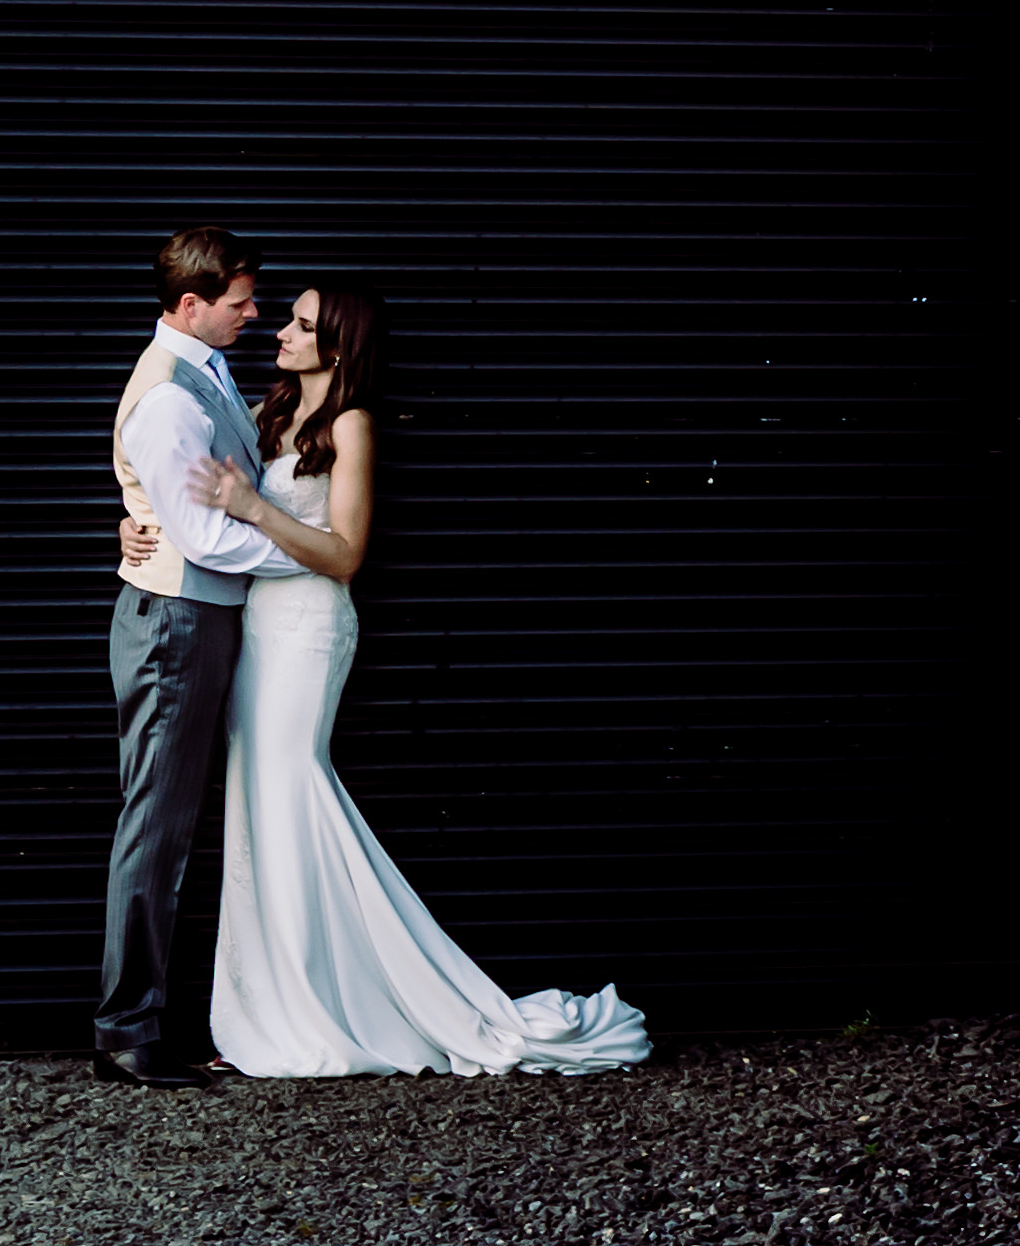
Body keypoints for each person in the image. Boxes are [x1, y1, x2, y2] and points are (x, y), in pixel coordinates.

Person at [117, 276, 647, 1077]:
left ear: (339, 345)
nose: (279, 334)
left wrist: (255, 509)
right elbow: (187, 492)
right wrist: (143, 526)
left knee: (294, 790)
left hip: (306, 631)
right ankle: (274, 1007)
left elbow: (345, 555)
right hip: (256, 625)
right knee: (261, 810)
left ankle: (332, 1006)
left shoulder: (351, 424)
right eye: (282, 319)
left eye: (298, 325)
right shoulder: (268, 412)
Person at [100, 225, 287, 1085]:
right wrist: (313, 553)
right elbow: (206, 537)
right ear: (190, 303)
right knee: (159, 827)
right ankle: (128, 1031)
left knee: (171, 825)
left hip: (193, 614)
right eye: (241, 300)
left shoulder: (203, 371)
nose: (255, 312)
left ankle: (146, 1017)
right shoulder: (170, 393)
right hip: (177, 622)